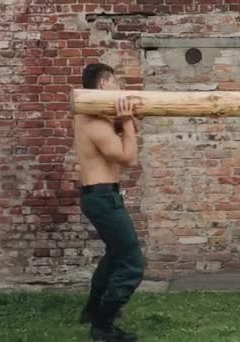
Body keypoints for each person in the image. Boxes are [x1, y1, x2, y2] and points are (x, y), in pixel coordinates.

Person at [75, 63, 143, 341]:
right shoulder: (95, 124)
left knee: (115, 256)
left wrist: (125, 118)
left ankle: (92, 311)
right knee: (132, 262)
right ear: (103, 83)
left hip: (99, 196)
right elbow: (129, 159)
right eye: (115, 82)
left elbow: (131, 125)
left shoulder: (86, 113)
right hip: (103, 198)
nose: (118, 88)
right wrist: (126, 122)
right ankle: (102, 326)